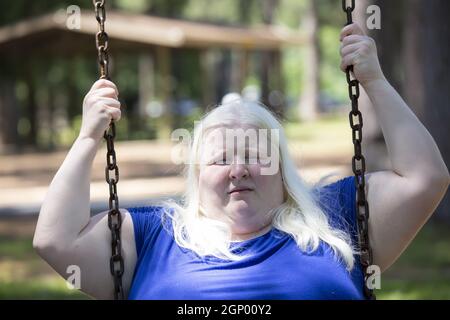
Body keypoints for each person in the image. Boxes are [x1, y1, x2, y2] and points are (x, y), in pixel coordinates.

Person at [33, 22, 449, 300]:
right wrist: (88, 136)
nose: (239, 169)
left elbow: (425, 178)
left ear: (283, 169)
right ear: (197, 175)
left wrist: (373, 81)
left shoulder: (335, 218)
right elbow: (56, 241)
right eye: (220, 159)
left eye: (254, 154)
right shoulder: (152, 237)